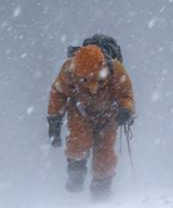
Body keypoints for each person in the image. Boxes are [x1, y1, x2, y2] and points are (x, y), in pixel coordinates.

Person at [47, 41, 135, 199]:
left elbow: (125, 94)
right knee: (77, 143)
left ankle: (101, 191)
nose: (93, 88)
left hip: (108, 116)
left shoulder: (116, 70)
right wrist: (54, 121)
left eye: (98, 81)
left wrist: (126, 110)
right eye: (86, 80)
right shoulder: (68, 71)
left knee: (105, 155)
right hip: (80, 113)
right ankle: (76, 176)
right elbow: (58, 94)